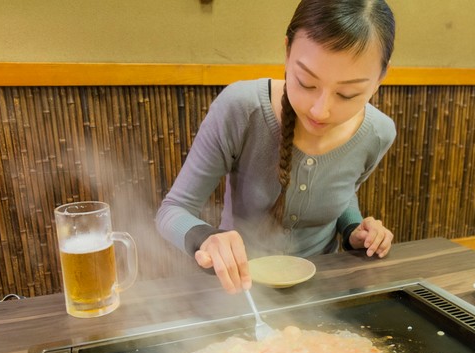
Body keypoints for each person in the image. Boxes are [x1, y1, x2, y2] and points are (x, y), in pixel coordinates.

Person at [156, 0, 396, 294]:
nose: (321, 111)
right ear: (286, 52)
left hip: (323, 290)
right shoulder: (241, 109)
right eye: (306, 83)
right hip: (242, 291)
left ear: (379, 80)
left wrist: (353, 230)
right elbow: (172, 211)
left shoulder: (379, 133)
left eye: (347, 94)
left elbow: (343, 192)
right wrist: (206, 237)